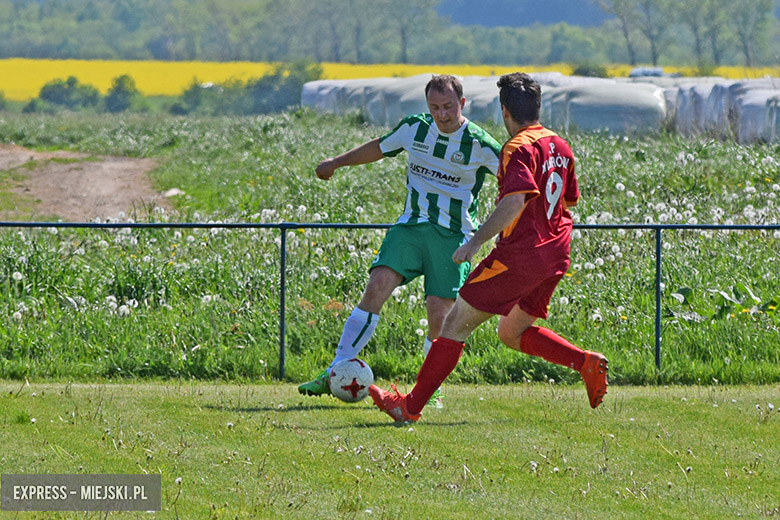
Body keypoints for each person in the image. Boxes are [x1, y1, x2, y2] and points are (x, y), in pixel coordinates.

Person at [369, 72, 608, 422]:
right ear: (538, 107)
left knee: (453, 324)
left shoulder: (518, 147)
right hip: (556, 252)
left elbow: (515, 201)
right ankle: (585, 362)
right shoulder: (560, 144)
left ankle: (409, 407)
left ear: (505, 111)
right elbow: (567, 201)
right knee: (511, 332)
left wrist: (474, 242)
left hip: (521, 255)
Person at [298, 74, 502, 408]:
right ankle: (335, 370)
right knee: (377, 285)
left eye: (449, 106)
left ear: (462, 104)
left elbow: (516, 180)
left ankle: (428, 388)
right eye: (435, 107)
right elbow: (379, 147)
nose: (442, 114)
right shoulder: (415, 128)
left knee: (440, 315)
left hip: (453, 235)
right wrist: (336, 162)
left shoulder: (480, 143)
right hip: (411, 226)